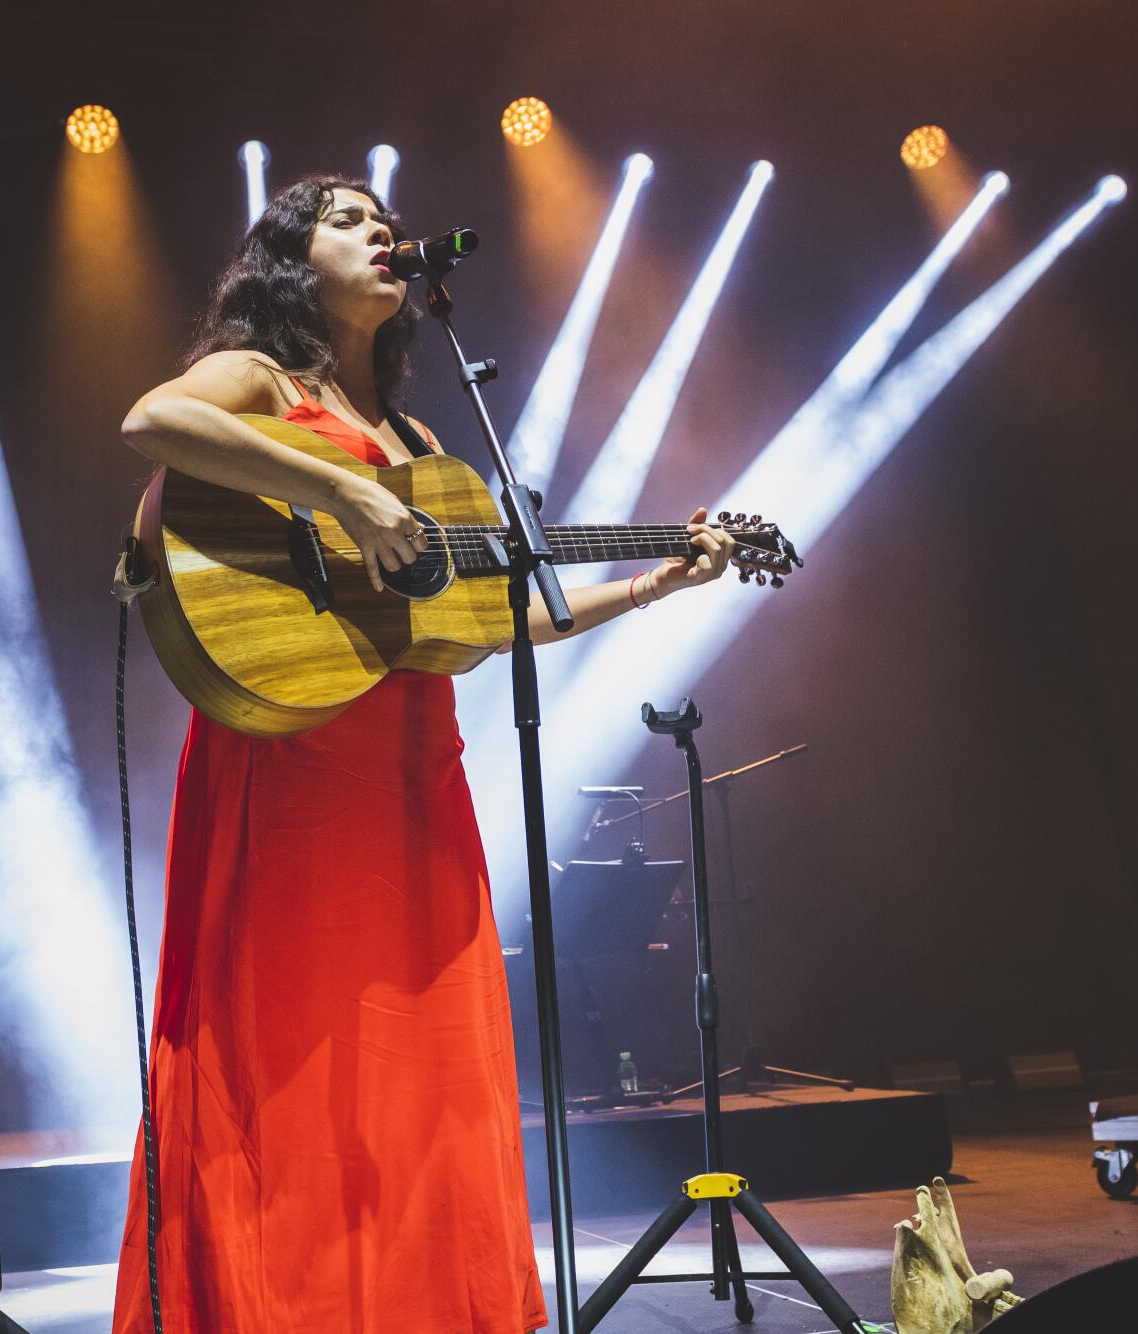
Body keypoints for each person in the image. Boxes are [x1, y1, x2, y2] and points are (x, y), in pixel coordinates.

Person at [110, 174, 736, 1333]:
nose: (381, 232)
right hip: (295, 760)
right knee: (292, 1057)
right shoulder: (264, 378)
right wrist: (340, 491)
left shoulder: (423, 439)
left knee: (422, 1073)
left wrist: (657, 579)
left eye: (382, 219)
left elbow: (498, 619)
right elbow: (152, 421)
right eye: (347, 218)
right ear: (291, 260)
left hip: (412, 775)